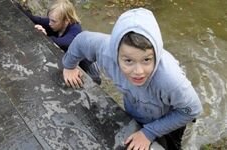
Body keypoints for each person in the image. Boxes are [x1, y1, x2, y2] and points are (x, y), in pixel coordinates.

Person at [62, 8, 203, 150]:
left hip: (169, 116)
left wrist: (149, 132)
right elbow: (81, 40)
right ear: (115, 53)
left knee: (171, 145)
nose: (138, 72)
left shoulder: (170, 79)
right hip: (135, 106)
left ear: (156, 53)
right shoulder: (106, 51)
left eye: (146, 59)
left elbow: (191, 109)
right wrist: (69, 65)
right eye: (128, 61)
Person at [12, 0, 101, 84]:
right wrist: (16, 6)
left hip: (88, 66)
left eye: (53, 21)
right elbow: (35, 19)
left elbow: (65, 42)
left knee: (93, 81)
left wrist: (45, 36)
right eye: (49, 19)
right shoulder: (55, 23)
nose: (50, 23)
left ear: (67, 21)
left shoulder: (75, 29)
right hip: (71, 58)